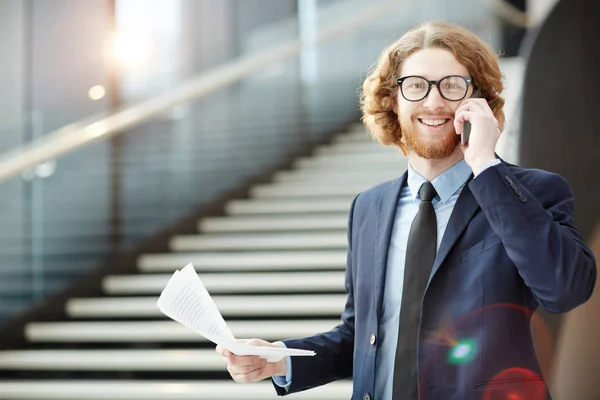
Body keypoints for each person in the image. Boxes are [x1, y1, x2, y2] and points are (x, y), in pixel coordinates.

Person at [216, 21, 597, 400]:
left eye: (452, 85)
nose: (433, 102)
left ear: (478, 100)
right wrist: (281, 360)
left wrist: (485, 165)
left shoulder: (531, 192)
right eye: (416, 86)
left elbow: (565, 290)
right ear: (393, 102)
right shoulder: (368, 208)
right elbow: (362, 336)